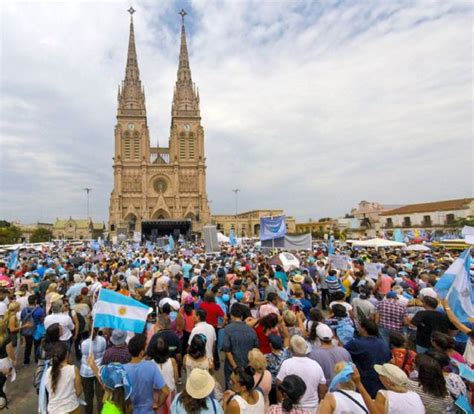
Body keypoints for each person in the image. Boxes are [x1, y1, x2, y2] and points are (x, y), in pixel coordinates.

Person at [276, 335, 327, 413]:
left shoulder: (287, 364)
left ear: (291, 349)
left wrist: (280, 405)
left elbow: (279, 386)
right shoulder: (316, 365)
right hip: (312, 408)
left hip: (291, 409)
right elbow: (323, 389)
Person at [351, 363, 425, 414]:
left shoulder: (384, 395)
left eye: (381, 374)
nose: (379, 376)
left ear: (388, 381)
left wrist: (358, 383)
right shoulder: (415, 395)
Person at [344, 318, 391, 398]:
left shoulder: (356, 344)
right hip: (381, 384)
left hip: (364, 384)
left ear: (364, 329)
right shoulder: (383, 344)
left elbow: (342, 351)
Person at [124, 334, 170, 414]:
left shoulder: (123, 369)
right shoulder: (151, 366)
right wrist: (158, 404)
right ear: (141, 352)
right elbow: (166, 391)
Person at [222, 304, 259, 388]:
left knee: (231, 388)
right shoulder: (252, 330)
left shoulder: (228, 329)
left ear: (231, 315)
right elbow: (256, 348)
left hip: (231, 368)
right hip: (246, 367)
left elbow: (227, 350)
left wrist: (235, 367)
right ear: (242, 316)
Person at [45, 341, 82, 414]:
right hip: (71, 408)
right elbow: (78, 392)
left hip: (53, 410)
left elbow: (49, 389)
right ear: (67, 354)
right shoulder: (73, 369)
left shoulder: (48, 372)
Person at [80, 328, 107, 414]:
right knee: (100, 396)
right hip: (99, 371)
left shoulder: (84, 344)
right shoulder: (103, 340)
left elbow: (82, 354)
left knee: (88, 397)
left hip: (85, 372)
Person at [152, 337, 178, 414]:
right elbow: (176, 379)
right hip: (170, 392)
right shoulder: (172, 361)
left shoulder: (150, 363)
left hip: (156, 394)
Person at [199, 292, 225, 370]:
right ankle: (216, 363)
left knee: (203, 344)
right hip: (214, 328)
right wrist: (222, 325)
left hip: (203, 326)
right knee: (214, 345)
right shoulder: (217, 306)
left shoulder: (202, 305)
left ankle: (203, 361)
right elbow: (225, 317)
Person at [20, 294, 44, 365]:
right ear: (35, 301)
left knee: (28, 345)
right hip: (37, 330)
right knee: (37, 345)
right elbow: (42, 320)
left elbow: (22, 319)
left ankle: (26, 361)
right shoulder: (40, 310)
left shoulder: (24, 310)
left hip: (27, 330)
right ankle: (37, 360)